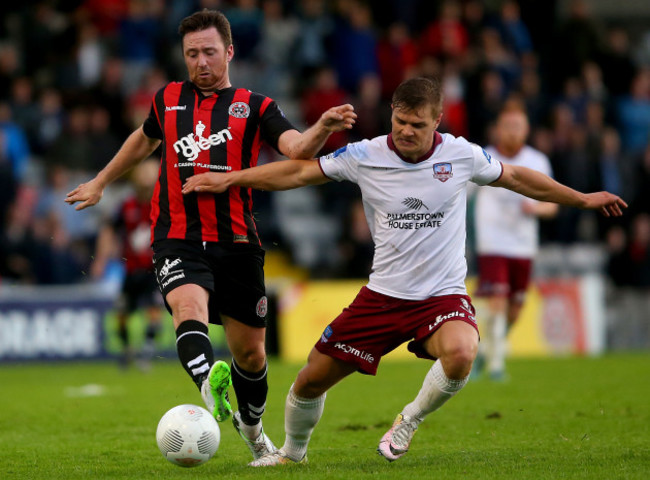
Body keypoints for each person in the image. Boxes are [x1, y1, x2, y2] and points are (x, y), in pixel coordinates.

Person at [181, 76, 626, 466]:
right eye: (400, 122)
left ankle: (407, 421)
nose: (407, 131)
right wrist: (229, 179)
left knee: (463, 351)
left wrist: (582, 198)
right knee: (308, 382)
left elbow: (520, 179)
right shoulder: (365, 155)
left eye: (419, 124)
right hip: (383, 296)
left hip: (442, 296)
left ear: (438, 121)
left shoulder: (462, 156)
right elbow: (297, 175)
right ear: (392, 114)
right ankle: (292, 453)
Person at [65, 9, 356, 461]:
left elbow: (296, 149)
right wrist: (102, 181)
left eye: (209, 52)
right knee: (187, 304)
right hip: (175, 234)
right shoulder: (168, 99)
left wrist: (321, 127)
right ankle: (207, 385)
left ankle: (253, 429)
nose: (200, 62)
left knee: (253, 355)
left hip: (237, 241)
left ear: (230, 52)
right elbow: (143, 140)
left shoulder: (256, 106)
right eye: (191, 54)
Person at [471, 105, 558, 380]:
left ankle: (485, 352)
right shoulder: (483, 158)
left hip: (523, 243)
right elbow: (461, 194)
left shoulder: (538, 161)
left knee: (515, 308)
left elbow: (552, 204)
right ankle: (497, 365)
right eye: (508, 126)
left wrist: (537, 209)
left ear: (527, 130)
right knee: (497, 299)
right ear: (497, 129)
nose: (513, 131)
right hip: (492, 240)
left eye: (518, 126)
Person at [91, 158, 163, 371]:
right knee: (122, 313)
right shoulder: (127, 206)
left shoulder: (162, 205)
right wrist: (101, 259)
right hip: (131, 270)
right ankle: (126, 350)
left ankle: (146, 352)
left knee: (153, 311)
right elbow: (109, 229)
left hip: (154, 270)